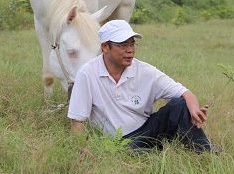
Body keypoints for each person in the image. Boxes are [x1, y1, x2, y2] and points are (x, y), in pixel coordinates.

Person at [67, 20, 212, 153]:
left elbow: (186, 93)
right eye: (123, 45)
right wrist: (83, 148)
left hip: (148, 130)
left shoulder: (145, 71)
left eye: (132, 43)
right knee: (135, 152)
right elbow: (78, 121)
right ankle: (151, 153)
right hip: (119, 143)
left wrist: (194, 111)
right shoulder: (87, 74)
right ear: (105, 47)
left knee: (180, 104)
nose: (130, 50)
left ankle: (205, 152)